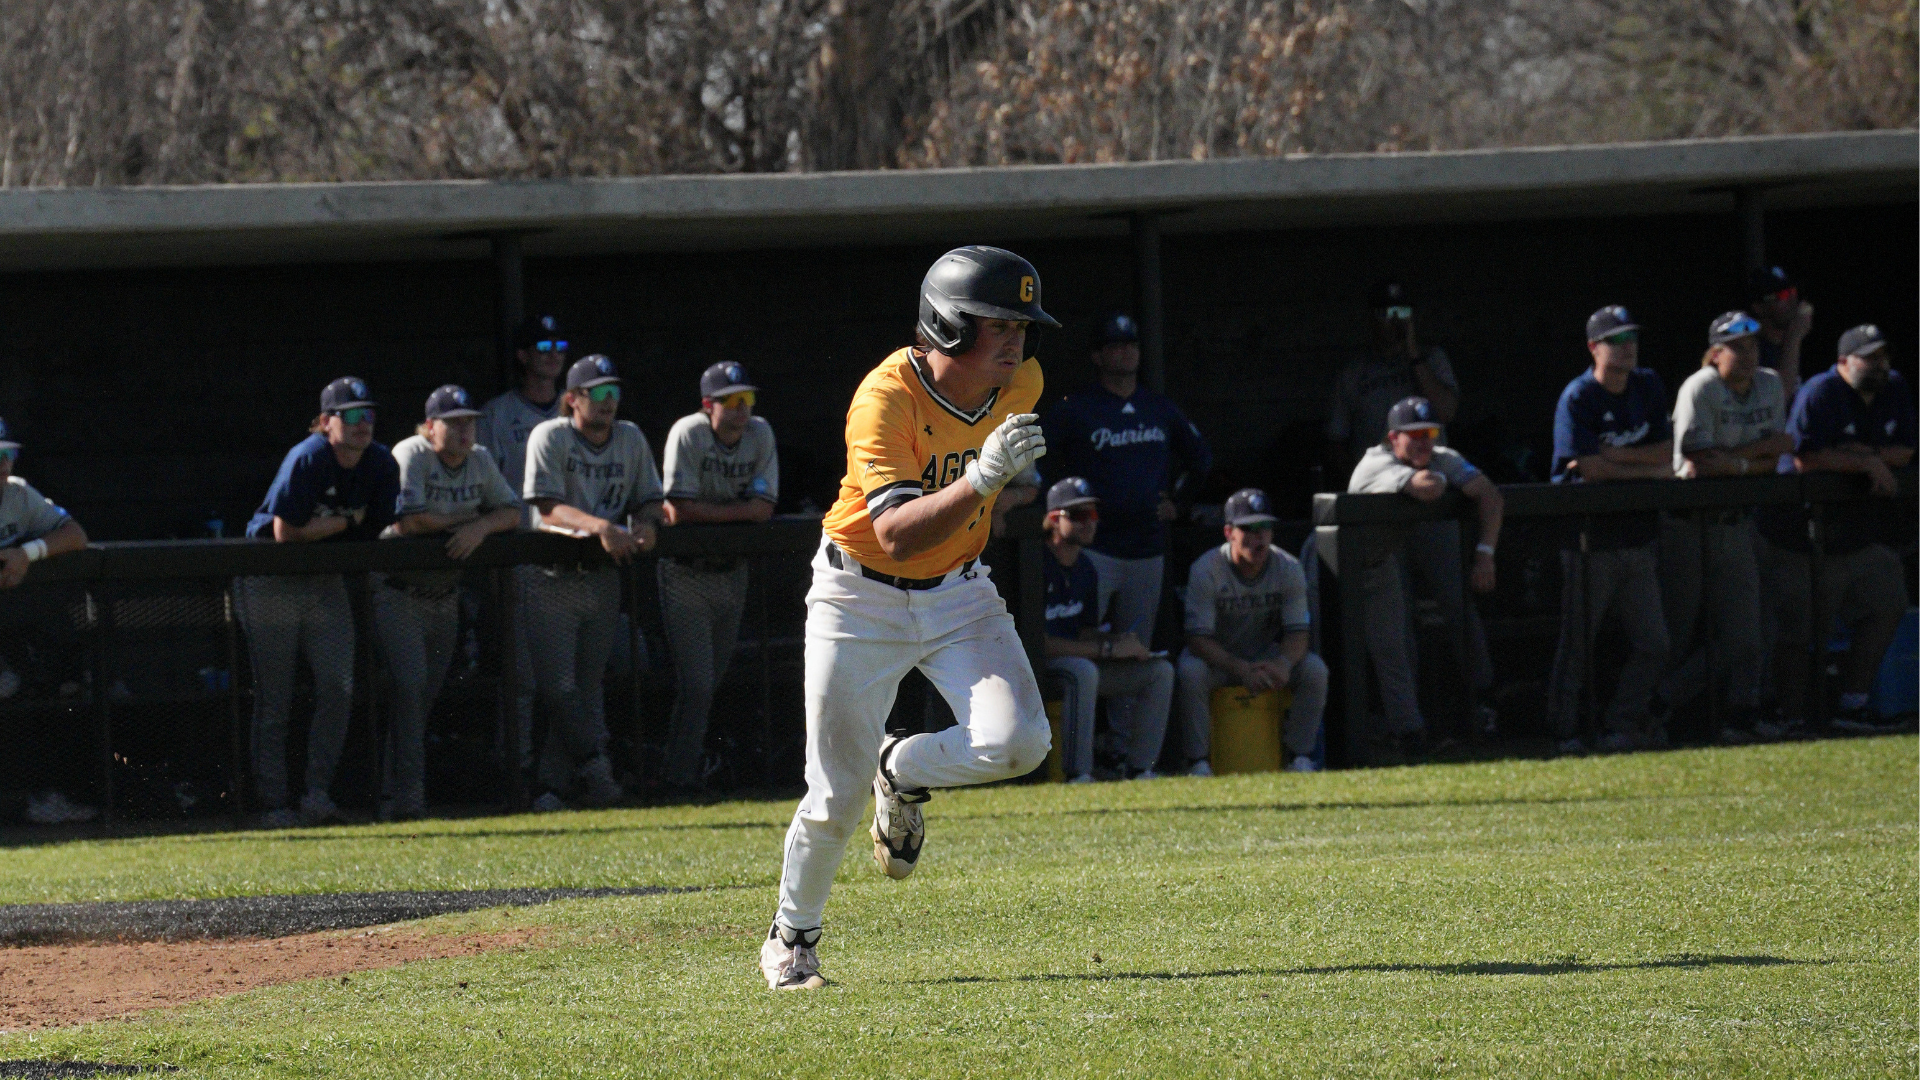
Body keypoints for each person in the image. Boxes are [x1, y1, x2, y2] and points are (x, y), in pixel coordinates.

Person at [761, 245, 1056, 991]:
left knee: (1021, 741)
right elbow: (892, 532)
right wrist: (986, 477)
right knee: (832, 790)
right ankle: (793, 938)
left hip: (959, 587)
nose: (1017, 340)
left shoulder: (1023, 381)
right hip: (858, 593)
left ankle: (900, 767)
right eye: (999, 323)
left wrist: (992, 483)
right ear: (949, 325)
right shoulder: (885, 395)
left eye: (1023, 323)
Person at [1324, 281, 1495, 734]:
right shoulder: (1357, 373)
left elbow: (1447, 413)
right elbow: (1338, 441)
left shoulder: (1431, 360)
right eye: (1386, 312)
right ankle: (1407, 722)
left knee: (1457, 602)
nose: (1393, 321)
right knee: (1392, 627)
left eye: (1402, 312)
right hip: (1382, 510)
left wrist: (1414, 350)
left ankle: (1482, 703)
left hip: (1432, 512)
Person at [240, 377, 399, 827]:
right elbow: (284, 534)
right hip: (272, 579)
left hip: (324, 582)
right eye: (350, 415)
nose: (362, 424)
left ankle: (317, 794)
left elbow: (378, 527)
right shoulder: (308, 456)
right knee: (275, 696)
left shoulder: (382, 463)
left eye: (368, 414)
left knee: (338, 686)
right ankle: (273, 802)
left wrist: (338, 526)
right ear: (326, 422)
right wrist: (346, 519)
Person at [523, 354, 663, 811]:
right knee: (557, 688)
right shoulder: (551, 435)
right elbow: (546, 507)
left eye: (613, 392)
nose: (608, 402)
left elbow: (648, 501)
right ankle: (595, 766)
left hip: (603, 578)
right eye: (597, 393)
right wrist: (601, 526)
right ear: (572, 399)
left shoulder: (630, 436)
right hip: (551, 578)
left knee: (586, 687)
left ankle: (551, 786)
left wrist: (645, 526)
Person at [375, 385, 522, 820]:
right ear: (430, 426)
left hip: (444, 596)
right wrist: (475, 520)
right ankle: (404, 799)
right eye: (454, 422)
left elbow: (513, 511)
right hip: (398, 591)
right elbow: (412, 519)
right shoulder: (412, 453)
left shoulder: (479, 458)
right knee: (409, 688)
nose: (464, 430)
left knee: (423, 697)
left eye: (469, 421)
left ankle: (396, 794)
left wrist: (481, 528)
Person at [1760, 324, 1915, 734]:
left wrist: (1866, 455)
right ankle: (1789, 717)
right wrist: (1865, 463)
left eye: (1883, 356)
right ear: (1844, 361)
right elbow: (1803, 459)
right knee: (1803, 628)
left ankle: (1853, 705)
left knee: (1888, 602)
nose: (1880, 366)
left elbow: (1906, 449)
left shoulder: (1894, 388)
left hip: (1858, 536)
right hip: (1803, 534)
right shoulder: (1821, 392)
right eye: (1870, 357)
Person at [1039, 312, 1212, 646]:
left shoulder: (1157, 407)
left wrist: (1179, 503)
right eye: (1115, 346)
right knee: (1079, 645)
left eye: (1131, 345)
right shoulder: (1076, 408)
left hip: (1147, 547)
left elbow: (1201, 459)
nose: (1125, 352)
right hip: (1093, 549)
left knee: (1135, 648)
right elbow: (1037, 460)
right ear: (1097, 355)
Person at [1545, 307, 1673, 755]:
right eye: (1616, 339)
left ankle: (1621, 722)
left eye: (1631, 337)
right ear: (1594, 348)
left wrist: (1617, 460)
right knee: (1579, 643)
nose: (1628, 346)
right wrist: (1646, 468)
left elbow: (1668, 452)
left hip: (1637, 537)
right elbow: (1586, 468)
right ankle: (1563, 732)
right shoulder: (1579, 396)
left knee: (1655, 644)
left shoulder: (1648, 384)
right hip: (1589, 541)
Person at [1346, 397, 1504, 755]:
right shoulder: (1376, 462)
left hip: (1379, 561)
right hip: (1337, 562)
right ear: (1393, 438)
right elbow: (1427, 487)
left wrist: (1485, 554)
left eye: (1429, 433)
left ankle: (1413, 734)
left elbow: (1490, 495)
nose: (1423, 442)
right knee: (1343, 649)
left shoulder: (1438, 456)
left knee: (1394, 647)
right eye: (1413, 435)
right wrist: (1452, 474)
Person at [1663, 313, 1790, 743]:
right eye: (1738, 347)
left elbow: (1776, 458)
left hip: (1735, 520)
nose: (1750, 353)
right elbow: (1699, 464)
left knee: (1746, 638)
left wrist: (1734, 461)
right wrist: (1748, 461)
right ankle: (1651, 714)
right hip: (1686, 522)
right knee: (1674, 634)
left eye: (1753, 344)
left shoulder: (1770, 383)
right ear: (1716, 353)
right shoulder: (1700, 386)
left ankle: (1676, 702)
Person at [657, 361, 780, 793]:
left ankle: (688, 769)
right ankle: (677, 777)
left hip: (733, 572)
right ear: (708, 405)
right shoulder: (689, 432)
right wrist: (738, 514)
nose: (742, 408)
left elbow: (764, 510)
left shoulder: (760, 432)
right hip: (687, 573)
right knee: (697, 683)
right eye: (731, 400)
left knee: (711, 683)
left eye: (746, 399)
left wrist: (715, 518)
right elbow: (679, 508)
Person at [1175, 488, 1327, 776]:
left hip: (1265, 657)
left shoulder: (1289, 567)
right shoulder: (1207, 570)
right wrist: (1240, 668)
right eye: (1250, 529)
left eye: (1265, 528)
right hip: (1220, 659)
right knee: (1189, 671)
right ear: (1229, 532)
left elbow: (1298, 633)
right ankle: (1198, 761)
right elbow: (1197, 639)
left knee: (1314, 670)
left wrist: (1283, 663)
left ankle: (1299, 756)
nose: (1259, 537)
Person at [477, 314, 569, 781]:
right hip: (518, 555)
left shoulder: (574, 410)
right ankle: (516, 771)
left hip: (572, 558)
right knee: (523, 679)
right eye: (542, 344)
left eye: (559, 343)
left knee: (569, 680)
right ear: (523, 355)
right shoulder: (497, 415)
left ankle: (561, 772)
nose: (553, 352)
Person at [1039, 477, 1174, 783]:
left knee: (1159, 672)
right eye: (1078, 515)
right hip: (1038, 669)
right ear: (1052, 520)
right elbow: (1040, 643)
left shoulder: (1086, 567)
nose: (1089, 523)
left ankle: (1141, 769)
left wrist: (1119, 642)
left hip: (1079, 661)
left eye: (1093, 515)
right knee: (1082, 672)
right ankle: (1079, 775)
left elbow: (1085, 632)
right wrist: (1106, 649)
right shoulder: (1037, 563)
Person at [0, 416, 97, 825]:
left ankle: (42, 799)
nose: (3, 465)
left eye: (8, 455)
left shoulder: (19, 495)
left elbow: (75, 534)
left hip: (13, 635)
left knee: (39, 697)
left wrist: (28, 553)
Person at [1748, 266, 1814, 405]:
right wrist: (1794, 337)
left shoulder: (1806, 338)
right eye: (1782, 295)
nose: (1792, 299)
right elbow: (1779, 398)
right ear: (1759, 307)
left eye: (1792, 291)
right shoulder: (1751, 351)